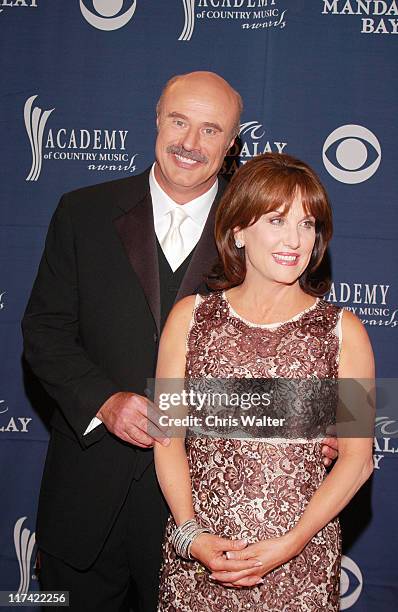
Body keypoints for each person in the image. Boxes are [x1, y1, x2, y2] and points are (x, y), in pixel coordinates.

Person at [22, 72, 338, 611]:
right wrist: (104, 399)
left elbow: (302, 343)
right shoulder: (83, 212)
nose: (190, 143)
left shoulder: (262, 227)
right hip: (87, 494)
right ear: (156, 120)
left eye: (210, 129)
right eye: (178, 122)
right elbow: (43, 331)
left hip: (207, 518)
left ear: (233, 142)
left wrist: (321, 423)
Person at [154, 153, 374, 611]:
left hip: (301, 563)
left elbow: (357, 458)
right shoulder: (190, 319)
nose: (295, 240)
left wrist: (291, 543)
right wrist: (190, 534)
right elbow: (167, 437)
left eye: (308, 224)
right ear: (238, 229)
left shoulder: (342, 331)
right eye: (277, 220)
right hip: (199, 561)